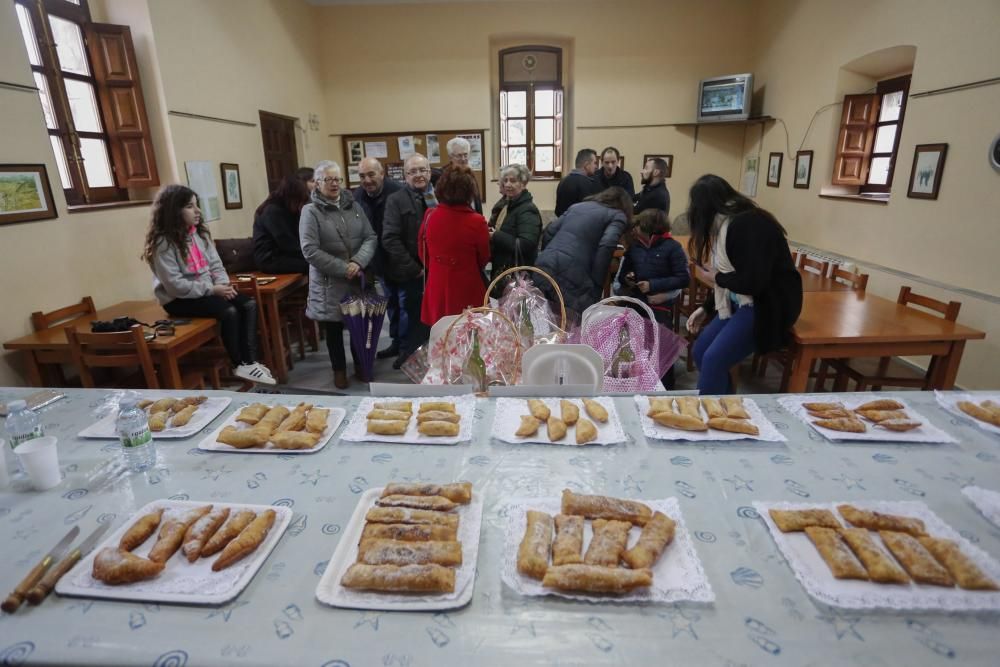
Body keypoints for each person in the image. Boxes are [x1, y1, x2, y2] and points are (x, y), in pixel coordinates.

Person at [143, 185, 275, 385]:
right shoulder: (163, 243)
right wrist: (213, 290)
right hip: (178, 299)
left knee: (248, 304)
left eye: (197, 205)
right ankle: (238, 363)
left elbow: (216, 265)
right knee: (229, 312)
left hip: (208, 291)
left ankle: (250, 361)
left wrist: (222, 285)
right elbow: (174, 285)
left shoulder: (200, 234)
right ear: (173, 211)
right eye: (190, 206)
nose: (198, 211)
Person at [685, 174, 803, 394]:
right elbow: (732, 277)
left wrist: (716, 278)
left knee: (713, 360)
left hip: (767, 305)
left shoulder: (747, 224)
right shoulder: (731, 222)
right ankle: (725, 407)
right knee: (700, 351)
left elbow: (751, 282)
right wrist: (706, 307)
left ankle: (715, 418)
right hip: (742, 301)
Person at [300, 160, 377, 389]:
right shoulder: (310, 211)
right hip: (328, 282)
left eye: (337, 179)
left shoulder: (353, 205)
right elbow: (310, 250)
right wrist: (344, 268)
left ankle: (362, 365)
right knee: (333, 330)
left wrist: (358, 262)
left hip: (356, 278)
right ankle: (339, 371)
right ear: (317, 183)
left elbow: (370, 237)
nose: (334, 184)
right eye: (327, 179)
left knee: (358, 327)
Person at [617, 209, 689, 388]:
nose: (635, 229)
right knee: (626, 340)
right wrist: (628, 278)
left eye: (638, 225)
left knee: (660, 342)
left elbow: (683, 278)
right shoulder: (635, 248)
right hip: (635, 301)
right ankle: (627, 384)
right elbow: (621, 277)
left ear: (649, 227)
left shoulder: (672, 248)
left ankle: (664, 387)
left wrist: (653, 285)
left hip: (659, 305)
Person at [534, 187, 632, 315]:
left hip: (543, 266)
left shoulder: (577, 207)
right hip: (573, 275)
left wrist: (547, 256)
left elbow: (549, 231)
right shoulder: (618, 215)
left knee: (547, 320)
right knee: (572, 326)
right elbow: (607, 245)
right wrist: (597, 284)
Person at [418, 164, 491, 326]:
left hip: (436, 283)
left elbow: (422, 250)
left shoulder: (430, 215)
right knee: (468, 335)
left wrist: (438, 266)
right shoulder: (477, 221)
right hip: (466, 285)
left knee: (440, 334)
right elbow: (484, 257)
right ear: (470, 191)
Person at [382, 153, 435, 369]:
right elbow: (389, 238)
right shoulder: (395, 200)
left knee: (436, 315)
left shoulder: (439, 197)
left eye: (422, 170)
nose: (419, 175)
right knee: (413, 314)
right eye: (413, 171)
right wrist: (414, 269)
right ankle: (411, 357)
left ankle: (434, 357)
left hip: (437, 269)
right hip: (413, 271)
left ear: (430, 172)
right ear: (405, 176)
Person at [353, 157, 405, 360]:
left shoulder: (399, 192)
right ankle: (396, 342)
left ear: (382, 173)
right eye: (362, 176)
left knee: (406, 306)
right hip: (379, 261)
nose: (367, 180)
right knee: (391, 303)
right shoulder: (357, 196)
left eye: (371, 174)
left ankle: (407, 349)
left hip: (402, 260)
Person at [488, 163, 543, 294]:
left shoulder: (528, 210)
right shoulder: (507, 204)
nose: (507, 184)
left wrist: (496, 236)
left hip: (517, 276)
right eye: (505, 180)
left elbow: (527, 244)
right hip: (504, 270)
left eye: (513, 181)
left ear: (523, 184)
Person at [252, 175, 310, 274]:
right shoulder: (272, 211)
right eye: (299, 200)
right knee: (313, 266)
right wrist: (312, 254)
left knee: (317, 263)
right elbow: (287, 243)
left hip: (282, 255)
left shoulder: (287, 209)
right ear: (292, 197)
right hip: (270, 259)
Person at [432, 137, 483, 213]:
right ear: (450, 157)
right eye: (459, 155)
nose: (463, 159)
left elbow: (476, 200)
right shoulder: (443, 176)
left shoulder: (469, 173)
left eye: (465, 155)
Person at [554, 148, 601, 216]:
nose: (596, 166)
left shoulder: (563, 181)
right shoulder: (587, 183)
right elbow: (590, 213)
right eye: (594, 163)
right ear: (586, 165)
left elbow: (558, 211)